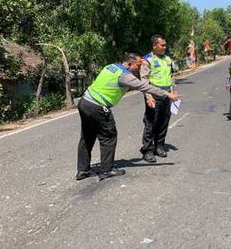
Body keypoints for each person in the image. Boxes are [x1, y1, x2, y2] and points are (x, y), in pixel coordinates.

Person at [76, 53, 181, 181]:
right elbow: (145, 86)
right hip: (97, 106)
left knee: (87, 136)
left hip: (84, 102)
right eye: (138, 65)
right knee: (109, 136)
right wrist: (168, 95)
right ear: (130, 64)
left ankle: (83, 170)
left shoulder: (111, 66)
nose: (139, 68)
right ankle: (106, 170)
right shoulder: (125, 76)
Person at [140, 35, 176, 163]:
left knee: (164, 121)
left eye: (165, 45)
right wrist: (148, 97)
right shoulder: (147, 60)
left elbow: (171, 76)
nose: (165, 47)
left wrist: (172, 92)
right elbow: (144, 80)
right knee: (151, 123)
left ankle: (159, 146)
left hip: (167, 94)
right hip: (154, 95)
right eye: (162, 45)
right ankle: (148, 150)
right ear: (154, 46)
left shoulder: (167, 59)